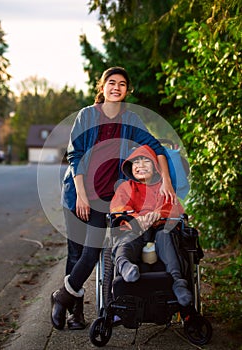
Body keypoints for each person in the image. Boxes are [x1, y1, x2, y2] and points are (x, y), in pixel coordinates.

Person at [51, 66, 177, 331]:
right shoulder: (87, 115)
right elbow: (75, 156)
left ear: (127, 90)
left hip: (107, 199)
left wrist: (165, 179)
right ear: (102, 86)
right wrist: (82, 197)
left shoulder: (130, 120)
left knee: (92, 252)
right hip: (78, 193)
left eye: (122, 83)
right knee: (76, 253)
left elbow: (156, 147)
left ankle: (61, 297)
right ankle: (76, 313)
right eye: (111, 82)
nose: (116, 87)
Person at [110, 144, 192, 307]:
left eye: (145, 162)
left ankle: (177, 282)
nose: (140, 166)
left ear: (156, 167)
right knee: (128, 237)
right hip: (135, 228)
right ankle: (126, 266)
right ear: (130, 167)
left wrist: (159, 213)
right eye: (136, 162)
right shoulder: (125, 188)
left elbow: (173, 207)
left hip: (161, 228)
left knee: (166, 236)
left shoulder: (164, 187)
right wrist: (135, 218)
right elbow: (118, 208)